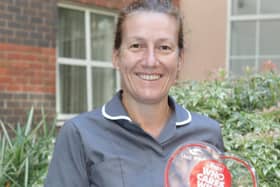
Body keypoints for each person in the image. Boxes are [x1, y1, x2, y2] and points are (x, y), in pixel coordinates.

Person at [44, 0, 224, 186]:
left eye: (164, 48)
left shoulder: (207, 134)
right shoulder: (80, 135)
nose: (150, 61)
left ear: (179, 60)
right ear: (116, 57)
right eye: (137, 46)